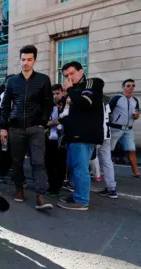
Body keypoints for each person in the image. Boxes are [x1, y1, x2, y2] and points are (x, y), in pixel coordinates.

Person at [0, 45, 53, 210]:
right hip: (16, 128)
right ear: (20, 60)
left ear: (34, 61)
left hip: (35, 128)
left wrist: (42, 123)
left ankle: (40, 196)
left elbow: (48, 103)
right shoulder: (12, 81)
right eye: (23, 59)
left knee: (38, 162)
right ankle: (19, 189)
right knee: (16, 161)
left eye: (29, 60)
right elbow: (5, 105)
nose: (26, 63)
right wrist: (3, 127)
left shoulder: (43, 79)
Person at [57, 61, 104, 211]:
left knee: (80, 168)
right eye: (66, 76)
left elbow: (86, 102)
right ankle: (78, 194)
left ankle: (82, 201)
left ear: (81, 71)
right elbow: (68, 112)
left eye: (72, 74)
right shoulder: (74, 90)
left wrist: (70, 90)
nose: (69, 78)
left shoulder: (91, 83)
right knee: (74, 166)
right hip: (73, 135)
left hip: (84, 134)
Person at [108, 79, 140, 177]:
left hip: (128, 129)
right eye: (128, 85)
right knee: (108, 150)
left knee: (131, 150)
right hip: (115, 128)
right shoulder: (117, 98)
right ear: (123, 87)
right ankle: (100, 170)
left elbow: (137, 112)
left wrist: (137, 116)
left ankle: (136, 173)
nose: (131, 87)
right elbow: (107, 111)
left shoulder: (135, 100)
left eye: (133, 85)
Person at [45, 84, 67, 197]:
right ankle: (52, 185)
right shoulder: (48, 105)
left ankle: (57, 185)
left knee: (61, 164)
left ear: (62, 93)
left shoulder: (66, 104)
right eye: (53, 94)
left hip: (62, 138)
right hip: (49, 138)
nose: (55, 96)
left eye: (57, 93)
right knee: (49, 163)